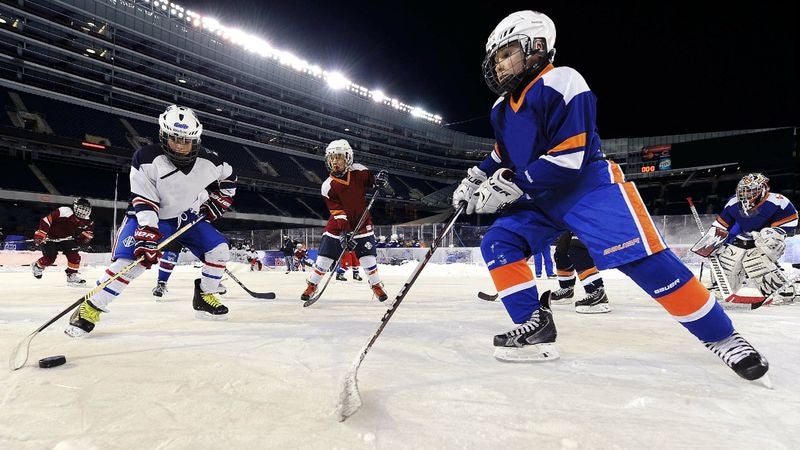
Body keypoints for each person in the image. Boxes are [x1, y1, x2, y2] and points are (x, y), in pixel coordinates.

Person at [451, 11, 768, 382]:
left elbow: (570, 157)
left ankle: (724, 337)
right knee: (499, 243)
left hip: (586, 189)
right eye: (496, 59)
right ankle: (533, 327)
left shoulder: (562, 80)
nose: (499, 65)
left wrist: (513, 185)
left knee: (644, 261)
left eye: (506, 54)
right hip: (541, 196)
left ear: (536, 46)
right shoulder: (501, 109)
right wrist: (475, 177)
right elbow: (504, 152)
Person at [65, 104, 237, 337]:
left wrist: (218, 203)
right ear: (163, 136)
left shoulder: (210, 162)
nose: (180, 146)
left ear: (196, 140)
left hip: (186, 218)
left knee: (219, 249)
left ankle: (205, 296)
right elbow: (145, 201)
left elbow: (229, 177)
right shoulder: (145, 159)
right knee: (130, 264)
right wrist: (147, 234)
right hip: (149, 215)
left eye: (186, 140)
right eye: (174, 139)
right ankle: (89, 308)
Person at [300, 139, 389, 302]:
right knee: (324, 257)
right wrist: (345, 232)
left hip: (362, 222)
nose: (335, 161)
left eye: (339, 157)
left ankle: (376, 285)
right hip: (338, 226)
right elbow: (338, 212)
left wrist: (380, 180)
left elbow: (373, 181)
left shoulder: (359, 171)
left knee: (367, 256)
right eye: (332, 158)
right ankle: (312, 284)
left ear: (348, 158)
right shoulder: (328, 186)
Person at [691, 173, 798, 304]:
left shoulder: (778, 201)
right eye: (743, 190)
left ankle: (780, 290)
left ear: (763, 188)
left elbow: (791, 220)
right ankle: (721, 288)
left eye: (750, 190)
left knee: (760, 253)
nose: (746, 194)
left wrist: (774, 234)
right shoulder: (733, 203)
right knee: (728, 257)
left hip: (761, 240)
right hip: (741, 238)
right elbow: (720, 226)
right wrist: (709, 244)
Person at [31, 197, 94, 285]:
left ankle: (71, 276)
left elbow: (88, 232)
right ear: (75, 207)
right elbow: (46, 219)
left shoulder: (88, 221)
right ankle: (37, 266)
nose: (83, 212)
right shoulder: (65, 211)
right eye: (81, 208)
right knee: (50, 259)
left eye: (85, 210)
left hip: (66, 238)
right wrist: (41, 233)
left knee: (74, 256)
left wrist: (84, 238)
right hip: (50, 237)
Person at [549, 231, 611, 313]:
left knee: (577, 248)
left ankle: (597, 291)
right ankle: (567, 289)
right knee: (561, 251)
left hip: (592, 220)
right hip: (572, 221)